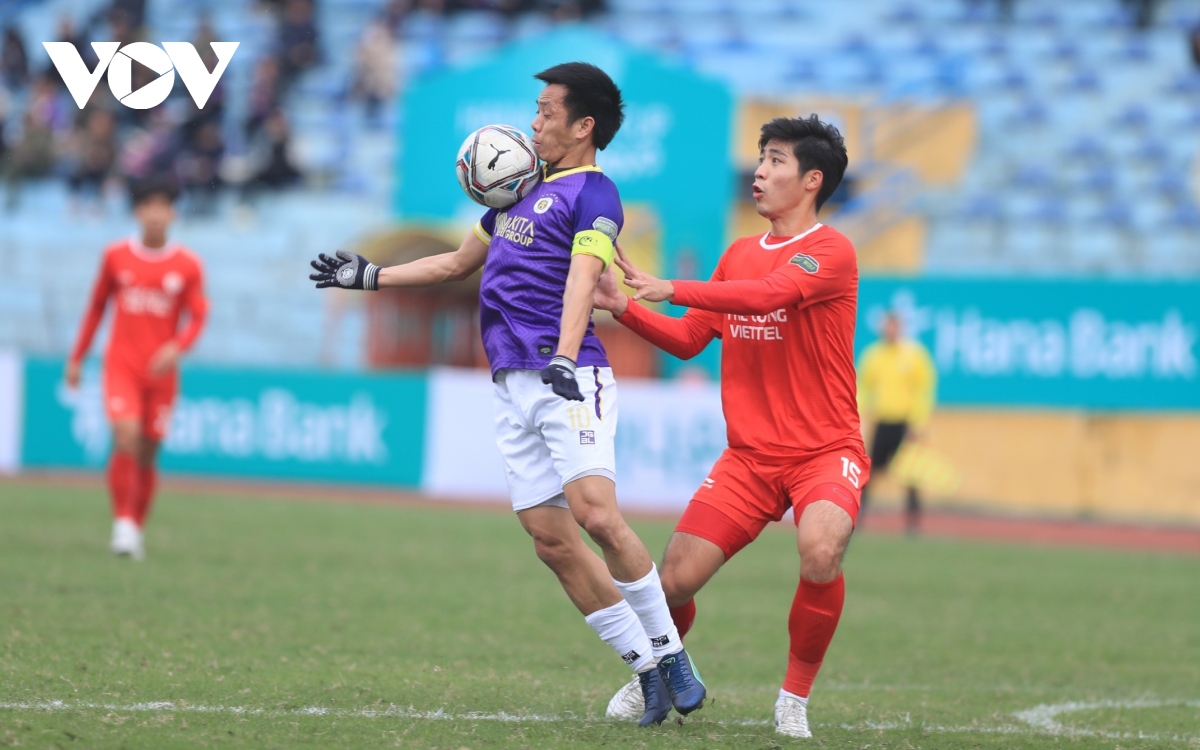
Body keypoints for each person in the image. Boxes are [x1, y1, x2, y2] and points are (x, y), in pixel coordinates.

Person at [308, 62, 705, 726]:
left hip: (566, 376)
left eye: (548, 111)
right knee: (549, 539)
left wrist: (565, 355)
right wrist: (371, 275)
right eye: (536, 108)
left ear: (584, 126)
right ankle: (644, 667)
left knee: (597, 515)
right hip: (510, 380)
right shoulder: (518, 188)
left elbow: (584, 279)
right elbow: (458, 263)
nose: (535, 121)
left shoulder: (596, 196)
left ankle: (673, 656)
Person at [593, 114, 866, 739]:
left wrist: (672, 285)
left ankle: (793, 699)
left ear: (811, 180)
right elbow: (691, 340)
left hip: (825, 451)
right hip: (748, 458)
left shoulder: (831, 251)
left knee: (821, 549)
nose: (760, 171)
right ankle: (657, 674)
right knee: (674, 580)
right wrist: (624, 307)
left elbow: (768, 296)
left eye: (775, 160)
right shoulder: (739, 254)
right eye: (761, 157)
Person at [65, 178, 208, 561]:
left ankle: (136, 528)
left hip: (160, 374)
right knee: (125, 435)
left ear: (173, 212)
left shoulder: (187, 264)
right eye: (149, 206)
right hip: (121, 366)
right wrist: (77, 356)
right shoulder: (116, 256)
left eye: (164, 205)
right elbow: (96, 307)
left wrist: (177, 346)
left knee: (148, 451)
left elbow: (198, 315)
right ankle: (123, 525)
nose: (156, 214)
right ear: (137, 211)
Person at [856, 311, 937, 535]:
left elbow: (924, 390)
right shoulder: (873, 356)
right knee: (869, 471)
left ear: (900, 328)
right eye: (887, 326)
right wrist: (858, 415)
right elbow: (863, 387)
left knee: (911, 474)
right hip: (883, 421)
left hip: (906, 424)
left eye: (894, 326)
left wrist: (918, 421)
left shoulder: (914, 355)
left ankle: (912, 523)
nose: (890, 330)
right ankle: (856, 517)